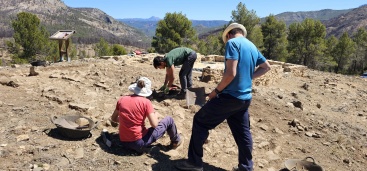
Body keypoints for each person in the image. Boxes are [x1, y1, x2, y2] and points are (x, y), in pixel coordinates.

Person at [175, 23, 271, 171]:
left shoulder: (232, 43)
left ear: (228, 35)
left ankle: (195, 163)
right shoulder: (252, 46)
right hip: (245, 98)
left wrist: (216, 92)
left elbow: (230, 74)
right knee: (243, 133)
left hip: (230, 97)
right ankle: (246, 168)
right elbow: (266, 67)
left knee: (200, 121)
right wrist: (248, 77)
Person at [110, 77, 182, 153]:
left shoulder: (122, 99)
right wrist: (156, 115)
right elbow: (154, 124)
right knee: (169, 120)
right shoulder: (146, 102)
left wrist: (126, 121)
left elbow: (113, 118)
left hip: (123, 141)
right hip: (138, 142)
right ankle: (176, 141)